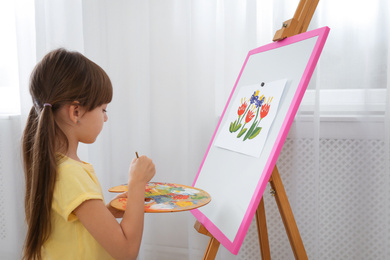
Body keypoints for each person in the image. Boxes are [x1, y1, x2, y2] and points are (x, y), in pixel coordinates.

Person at [21, 48, 156, 260]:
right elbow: (127, 252)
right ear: (76, 112)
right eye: (103, 109)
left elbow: (73, 226)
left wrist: (107, 211)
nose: (105, 118)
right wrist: (137, 183)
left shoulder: (58, 166)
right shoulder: (70, 174)